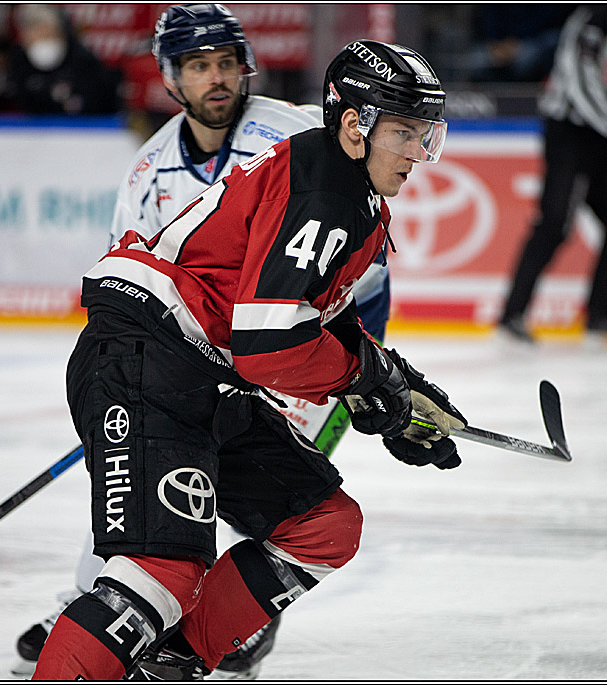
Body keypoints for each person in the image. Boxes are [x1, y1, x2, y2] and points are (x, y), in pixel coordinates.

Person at [31, 38, 465, 681]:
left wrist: (395, 385)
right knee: (162, 572)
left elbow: (311, 315)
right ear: (355, 124)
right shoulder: (325, 189)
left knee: (324, 526)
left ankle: (174, 663)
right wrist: (365, 382)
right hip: (146, 357)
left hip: (199, 375)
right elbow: (271, 346)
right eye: (403, 132)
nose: (416, 151)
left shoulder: (348, 189)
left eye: (424, 133)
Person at [497, 4, 607, 346]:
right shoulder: (593, 20)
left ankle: (601, 316)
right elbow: (580, 83)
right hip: (571, 134)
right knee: (555, 223)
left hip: (605, 137)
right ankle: (512, 315)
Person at [5, 4, 119, 115]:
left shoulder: (82, 59)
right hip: (35, 127)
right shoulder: (19, 61)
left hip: (81, 125)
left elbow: (99, 101)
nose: (40, 37)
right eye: (33, 32)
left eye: (45, 32)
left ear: (58, 31)